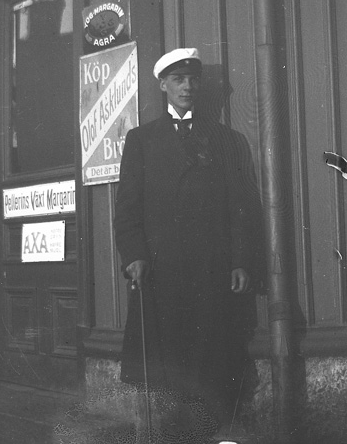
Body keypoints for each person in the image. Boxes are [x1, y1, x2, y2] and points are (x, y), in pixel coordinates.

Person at [114, 47, 260, 437]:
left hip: (212, 270)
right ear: (163, 85)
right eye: (178, 80)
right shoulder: (141, 140)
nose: (187, 87)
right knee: (167, 363)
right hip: (162, 271)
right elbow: (127, 207)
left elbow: (242, 206)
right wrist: (135, 256)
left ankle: (212, 431)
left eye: (194, 79)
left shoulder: (226, 140)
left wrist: (241, 261)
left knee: (212, 360)